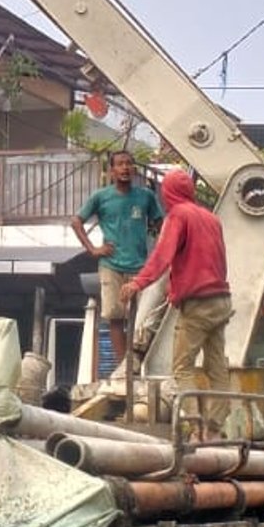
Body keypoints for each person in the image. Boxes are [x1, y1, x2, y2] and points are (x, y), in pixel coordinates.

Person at [119, 167, 232, 404]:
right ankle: (215, 426)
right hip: (221, 299)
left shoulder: (178, 215)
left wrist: (138, 283)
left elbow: (163, 255)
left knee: (182, 369)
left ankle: (192, 425)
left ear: (168, 193)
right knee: (217, 366)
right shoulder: (212, 219)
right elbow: (220, 259)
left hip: (197, 303)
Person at [74, 152, 162, 374]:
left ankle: (140, 365)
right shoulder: (101, 196)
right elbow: (76, 221)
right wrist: (93, 249)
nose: (125, 168)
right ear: (112, 170)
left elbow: (162, 224)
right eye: (120, 164)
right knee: (115, 316)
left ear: (134, 169)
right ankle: (124, 369)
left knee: (144, 318)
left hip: (141, 267)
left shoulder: (146, 196)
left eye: (129, 164)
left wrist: (160, 253)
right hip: (111, 265)